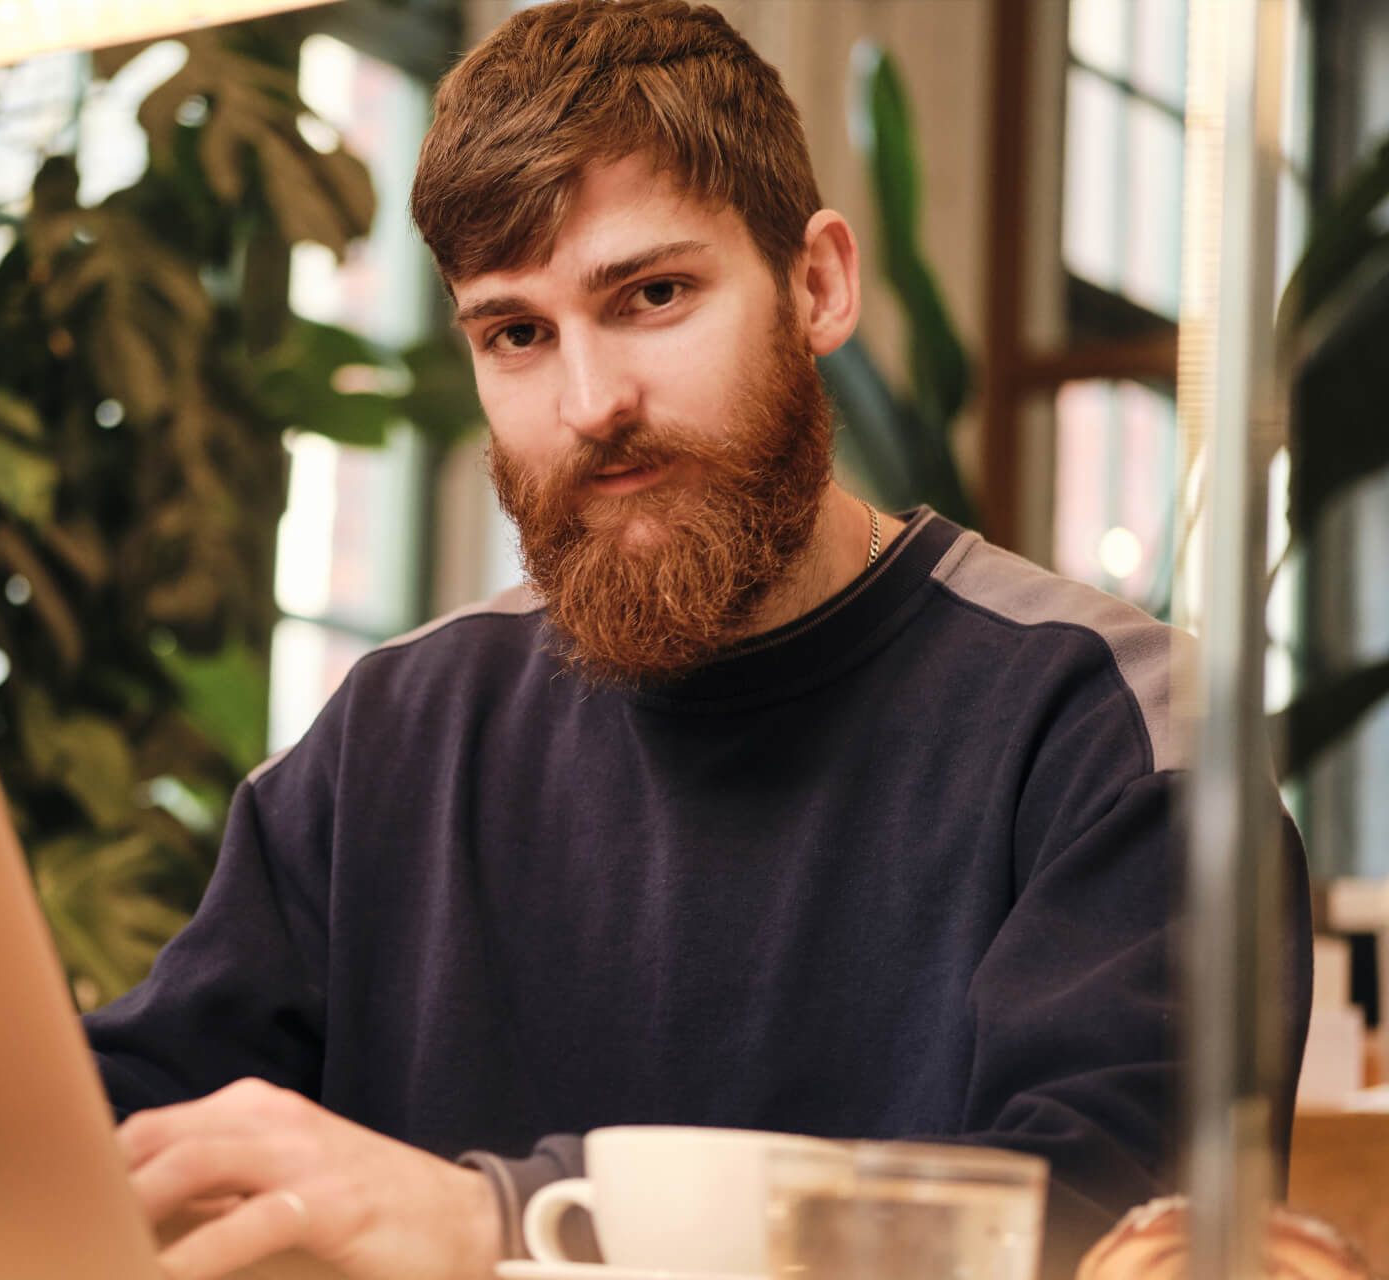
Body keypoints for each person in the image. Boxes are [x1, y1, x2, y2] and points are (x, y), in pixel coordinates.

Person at [84, 2, 1313, 1277]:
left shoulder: (1118, 730)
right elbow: (115, 1129)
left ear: (819, 283)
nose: (589, 401)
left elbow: (1111, 1226)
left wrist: (502, 1224)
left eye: (653, 294)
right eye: (516, 331)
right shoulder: (392, 730)